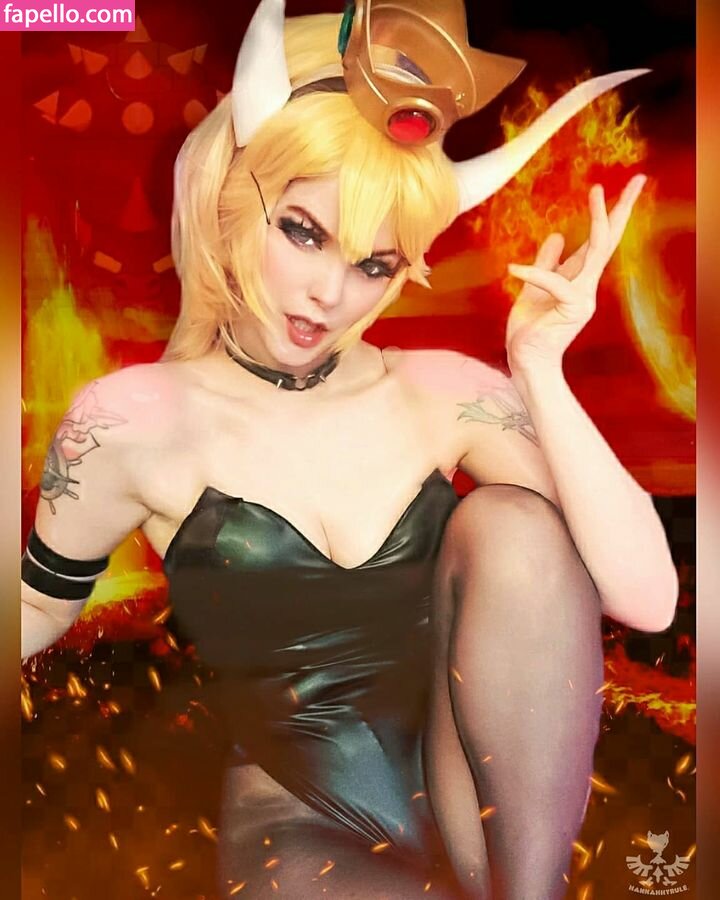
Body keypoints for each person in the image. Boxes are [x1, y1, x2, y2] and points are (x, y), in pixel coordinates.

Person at [21, 2, 679, 897]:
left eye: (375, 264)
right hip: (304, 829)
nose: (329, 292)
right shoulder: (130, 422)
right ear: (234, 199)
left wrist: (540, 369)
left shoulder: (444, 391)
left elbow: (647, 598)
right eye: (304, 231)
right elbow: (39, 605)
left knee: (514, 524)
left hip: (486, 809)